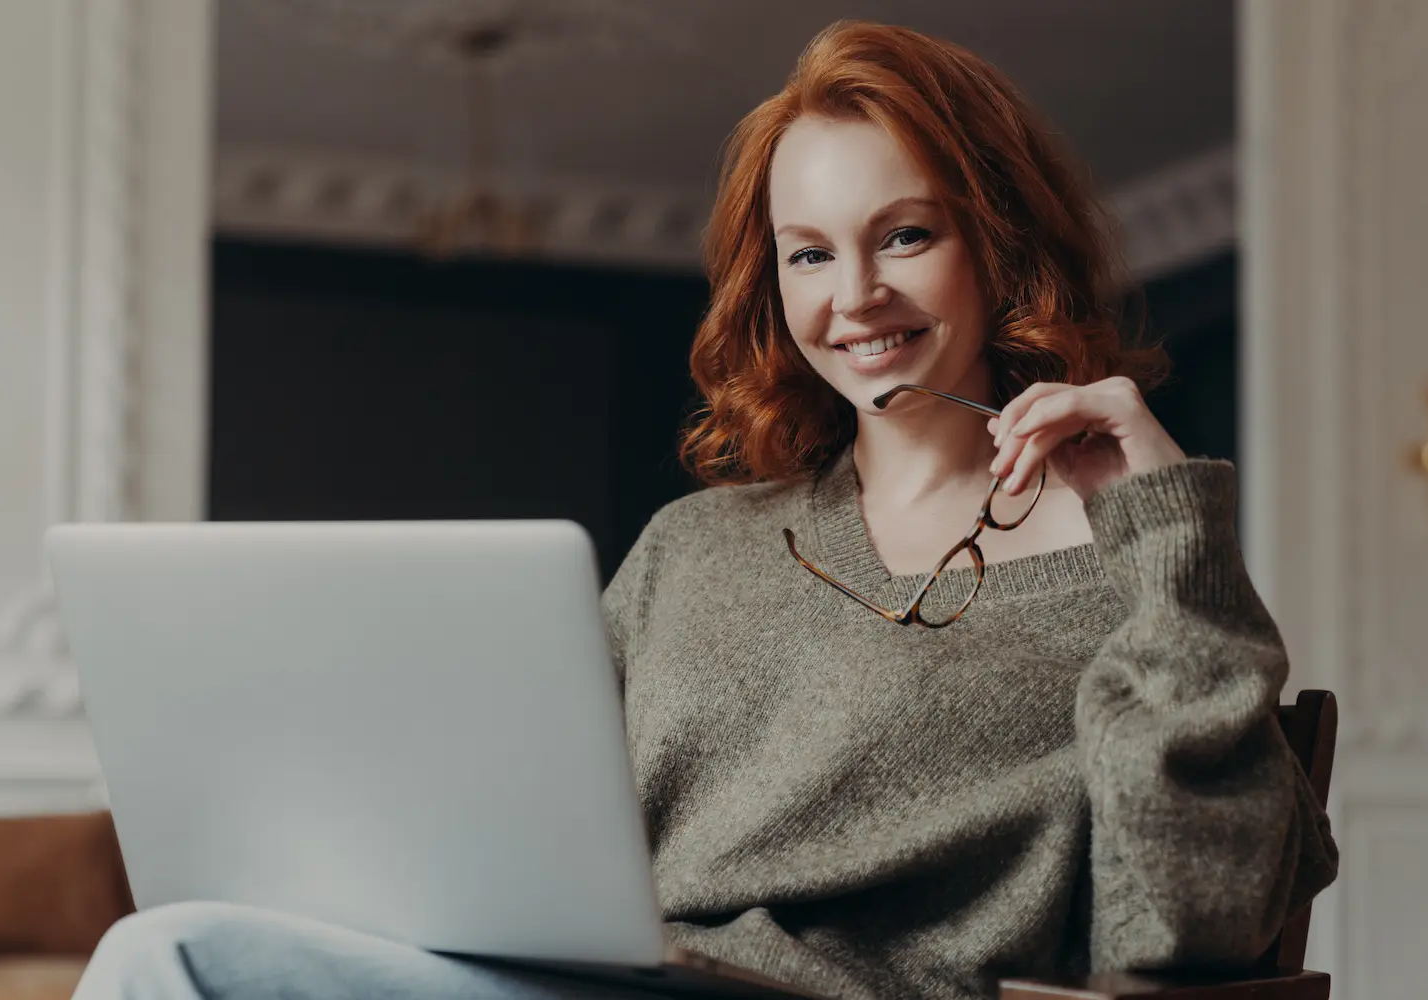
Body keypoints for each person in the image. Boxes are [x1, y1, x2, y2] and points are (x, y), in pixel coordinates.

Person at [72, 19, 1339, 1000]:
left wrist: (1168, 526)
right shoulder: (693, 548)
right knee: (173, 954)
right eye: (808, 251)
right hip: (603, 983)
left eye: (904, 236)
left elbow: (1190, 929)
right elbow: (534, 839)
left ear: (997, 243)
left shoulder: (1141, 577)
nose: (853, 295)